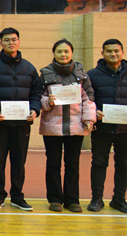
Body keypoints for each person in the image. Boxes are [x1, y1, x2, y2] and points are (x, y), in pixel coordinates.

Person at [0, 27, 42, 211]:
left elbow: (37, 93)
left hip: (22, 124)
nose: (11, 43)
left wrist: (35, 109)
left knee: (19, 162)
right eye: (6, 40)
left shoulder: (29, 68)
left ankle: (17, 196)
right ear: (1, 43)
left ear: (19, 42)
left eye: (14, 39)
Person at [87, 39, 127, 214]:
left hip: (126, 130)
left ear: (122, 52)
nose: (113, 54)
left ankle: (119, 200)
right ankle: (96, 199)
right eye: (109, 51)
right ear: (102, 53)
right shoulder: (92, 74)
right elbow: (86, 99)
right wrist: (94, 111)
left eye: (116, 51)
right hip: (102, 129)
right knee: (99, 163)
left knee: (124, 165)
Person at [39, 39, 96, 213]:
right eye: (59, 51)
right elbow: (37, 97)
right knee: (53, 164)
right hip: (52, 127)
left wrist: (89, 120)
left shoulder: (82, 75)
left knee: (72, 164)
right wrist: (46, 101)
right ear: (54, 53)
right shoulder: (45, 74)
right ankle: (55, 199)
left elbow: (88, 100)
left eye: (66, 51)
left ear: (71, 53)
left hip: (75, 126)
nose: (63, 54)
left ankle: (72, 200)